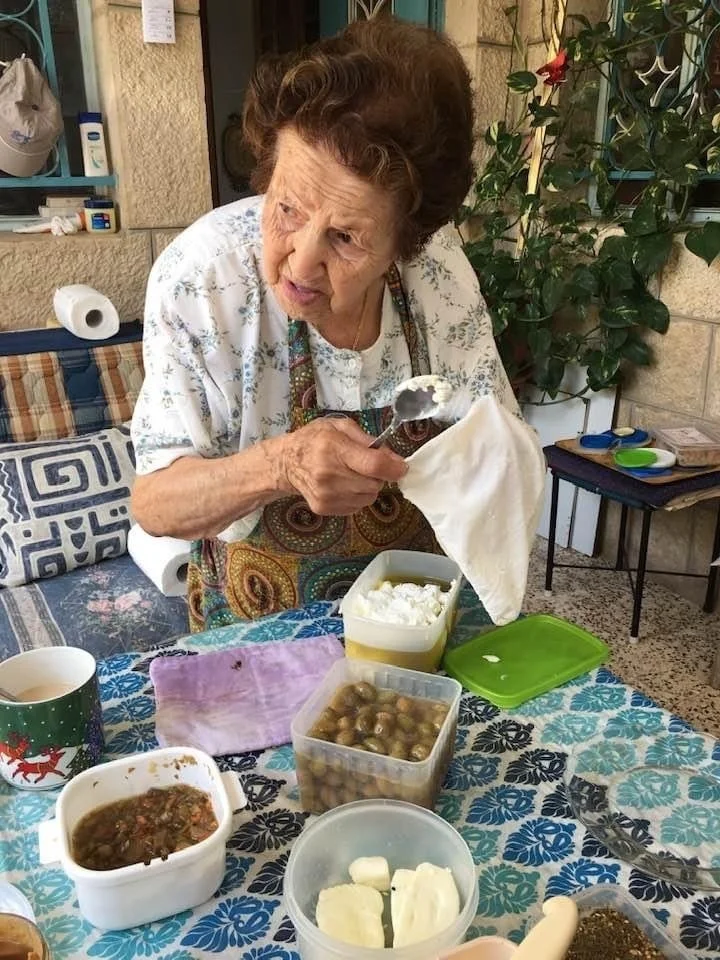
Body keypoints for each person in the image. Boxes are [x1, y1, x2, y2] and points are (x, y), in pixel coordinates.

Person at [131, 16, 521, 633]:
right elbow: (154, 504)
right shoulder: (205, 277)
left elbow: (498, 436)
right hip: (256, 639)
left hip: (413, 622)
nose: (301, 259)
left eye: (345, 238)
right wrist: (279, 465)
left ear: (407, 243)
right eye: (287, 207)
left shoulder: (438, 271)